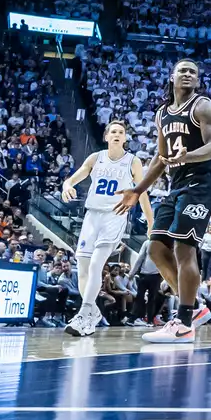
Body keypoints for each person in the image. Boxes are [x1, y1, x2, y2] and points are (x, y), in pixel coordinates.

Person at [116, 60, 211, 344]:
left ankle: (184, 322)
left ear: (197, 81)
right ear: (172, 77)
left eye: (193, 72)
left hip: (202, 182)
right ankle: (196, 307)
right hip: (176, 185)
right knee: (155, 247)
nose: (188, 74)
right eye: (183, 70)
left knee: (184, 248)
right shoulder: (162, 113)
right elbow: (160, 158)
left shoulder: (203, 106)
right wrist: (138, 190)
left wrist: (186, 156)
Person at [60, 120, 145, 336]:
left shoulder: (132, 162)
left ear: (125, 138)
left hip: (115, 215)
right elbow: (73, 178)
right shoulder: (95, 158)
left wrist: (151, 223)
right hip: (92, 215)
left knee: (97, 264)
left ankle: (84, 313)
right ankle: (94, 312)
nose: (117, 134)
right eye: (113, 131)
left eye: (121, 132)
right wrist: (67, 185)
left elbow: (142, 192)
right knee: (83, 268)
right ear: (106, 136)